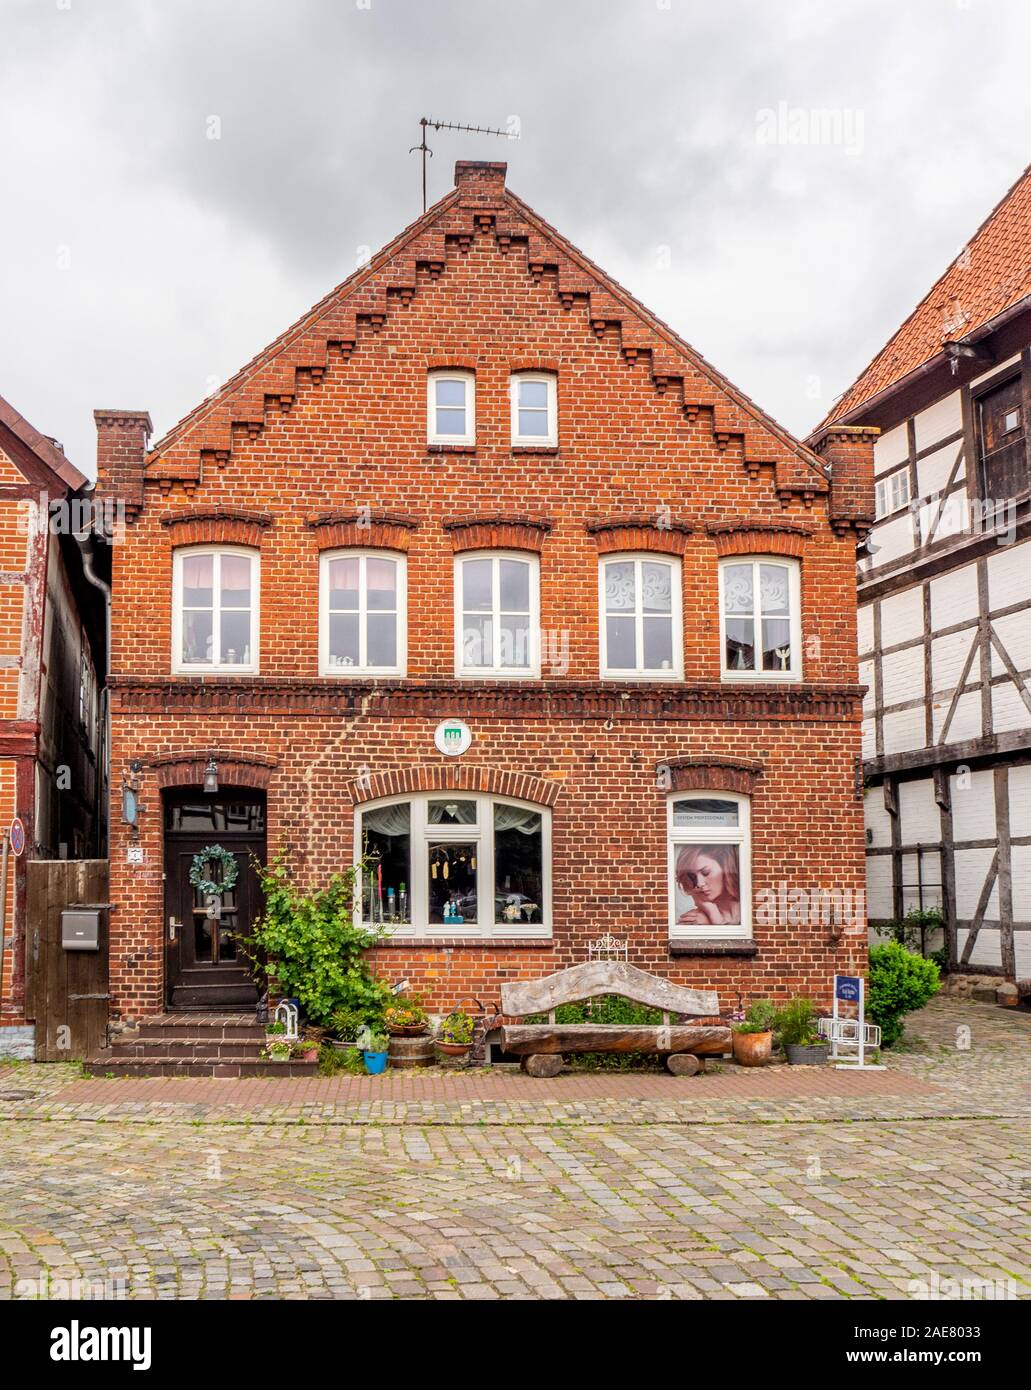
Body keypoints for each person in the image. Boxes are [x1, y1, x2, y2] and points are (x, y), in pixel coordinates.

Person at [676, 844, 741, 926]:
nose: (699, 883)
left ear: (725, 868)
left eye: (706, 872)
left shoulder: (747, 910)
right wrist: (710, 909)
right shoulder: (694, 920)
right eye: (692, 877)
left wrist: (714, 920)